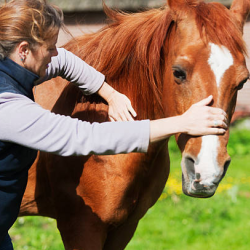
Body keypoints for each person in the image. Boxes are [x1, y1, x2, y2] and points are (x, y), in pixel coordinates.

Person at [0, 0, 228, 249]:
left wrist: (110, 93)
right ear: (23, 50)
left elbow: (64, 60)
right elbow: (82, 137)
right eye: (50, 47)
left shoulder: (14, 63)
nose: (56, 52)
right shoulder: (8, 109)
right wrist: (180, 123)